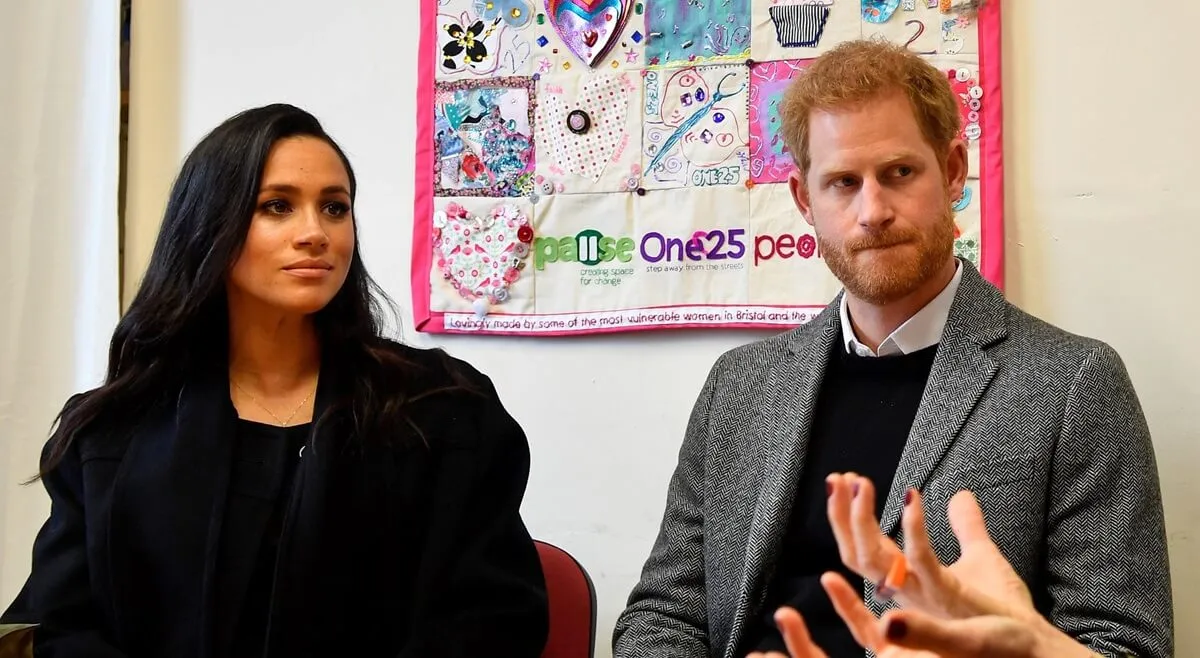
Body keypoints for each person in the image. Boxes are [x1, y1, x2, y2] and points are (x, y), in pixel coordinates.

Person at [613, 39, 1173, 657]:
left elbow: (1127, 645)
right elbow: (662, 617)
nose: (872, 210)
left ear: (954, 170)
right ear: (805, 200)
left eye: (899, 173)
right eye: (843, 183)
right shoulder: (737, 386)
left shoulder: (1074, 383)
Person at [0, 104, 549, 657]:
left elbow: (493, 621)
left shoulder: (442, 409)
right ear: (209, 225)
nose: (315, 233)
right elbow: (59, 627)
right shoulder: (113, 431)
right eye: (277, 207)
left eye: (335, 207)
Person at [746, 474, 1110, 658]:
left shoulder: (1078, 374)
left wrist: (1039, 647)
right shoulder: (734, 376)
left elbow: (1122, 643)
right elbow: (687, 617)